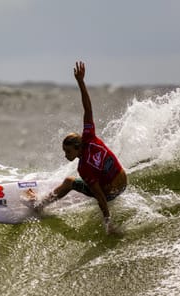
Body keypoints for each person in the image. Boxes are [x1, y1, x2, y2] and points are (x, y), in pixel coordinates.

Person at [35, 61, 127, 234]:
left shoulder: (84, 168)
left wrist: (108, 222)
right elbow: (88, 109)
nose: (66, 155)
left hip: (112, 192)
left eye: (68, 151)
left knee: (69, 182)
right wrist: (81, 82)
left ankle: (39, 205)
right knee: (95, 179)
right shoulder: (90, 137)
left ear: (78, 148)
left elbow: (100, 196)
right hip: (123, 181)